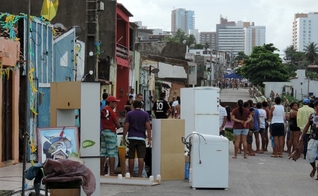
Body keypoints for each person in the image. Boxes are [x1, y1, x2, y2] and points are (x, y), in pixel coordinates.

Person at [123, 100, 152, 177]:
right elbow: (148, 127)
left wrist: (123, 137)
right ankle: (139, 175)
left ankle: (131, 174)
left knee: (131, 156)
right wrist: (149, 138)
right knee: (141, 157)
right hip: (141, 138)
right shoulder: (145, 114)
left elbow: (126, 126)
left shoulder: (129, 114)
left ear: (133, 106)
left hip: (131, 137)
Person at [100, 96, 121, 176]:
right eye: (114, 103)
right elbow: (118, 125)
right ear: (110, 102)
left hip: (103, 131)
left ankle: (101, 171)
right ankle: (111, 172)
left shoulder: (103, 110)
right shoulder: (111, 112)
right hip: (110, 132)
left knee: (103, 153)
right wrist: (116, 126)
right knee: (112, 153)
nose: (116, 104)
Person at [299, 101, 318, 180]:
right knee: (310, 156)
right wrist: (301, 137)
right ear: (315, 107)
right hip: (313, 138)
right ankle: (314, 168)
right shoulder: (312, 116)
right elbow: (307, 126)